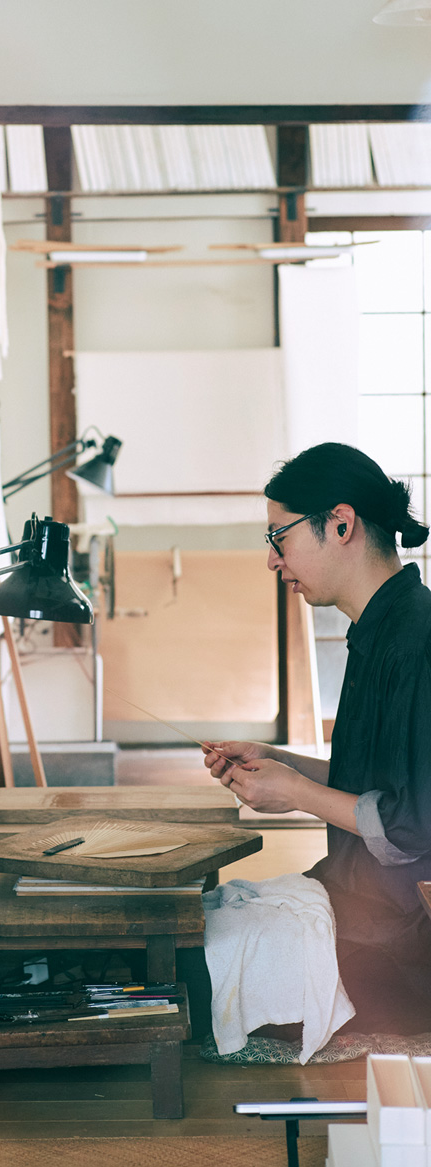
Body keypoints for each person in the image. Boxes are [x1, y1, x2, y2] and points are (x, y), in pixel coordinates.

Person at [203, 441, 431, 1035]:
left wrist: (297, 794)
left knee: (201, 969)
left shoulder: (417, 640)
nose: (273, 560)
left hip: (400, 936)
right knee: (210, 920)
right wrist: (277, 762)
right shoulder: (377, 627)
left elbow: (414, 823)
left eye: (279, 537)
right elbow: (369, 782)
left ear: (341, 523)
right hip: (359, 899)